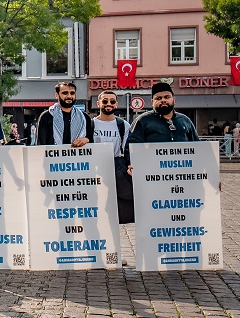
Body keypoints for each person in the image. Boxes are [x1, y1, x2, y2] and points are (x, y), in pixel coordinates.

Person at [89, 91, 133, 224]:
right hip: (95, 169)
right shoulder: (90, 124)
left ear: (116, 104)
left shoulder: (123, 125)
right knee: (97, 203)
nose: (108, 104)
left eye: (112, 101)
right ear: (98, 103)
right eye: (105, 101)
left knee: (120, 203)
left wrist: (129, 165)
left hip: (117, 168)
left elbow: (127, 150)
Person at [127, 81, 200, 147]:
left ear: (174, 100)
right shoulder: (142, 121)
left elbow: (197, 147)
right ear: (152, 102)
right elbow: (131, 149)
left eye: (167, 97)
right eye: (158, 98)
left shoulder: (185, 120)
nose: (163, 100)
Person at [35, 81, 90, 147]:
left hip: (78, 156)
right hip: (53, 156)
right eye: (65, 93)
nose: (69, 96)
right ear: (57, 95)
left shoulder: (84, 117)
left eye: (72, 93)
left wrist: (86, 139)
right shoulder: (47, 116)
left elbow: (91, 141)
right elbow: (40, 143)